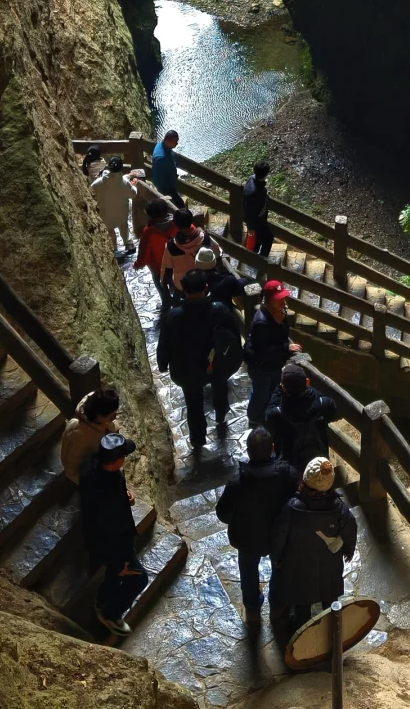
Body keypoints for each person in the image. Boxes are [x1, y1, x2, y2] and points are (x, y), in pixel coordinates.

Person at [215, 426, 299, 622]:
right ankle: (277, 607)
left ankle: (252, 608)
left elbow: (223, 514)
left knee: (248, 569)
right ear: (272, 448)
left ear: (248, 450)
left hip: (247, 539)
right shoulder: (290, 475)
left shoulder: (237, 483)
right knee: (280, 568)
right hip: (279, 537)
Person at [269, 457, 357, 639]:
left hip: (299, 566)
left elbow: (279, 536)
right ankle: (333, 629)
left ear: (306, 479)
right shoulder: (339, 510)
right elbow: (350, 529)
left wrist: (276, 558)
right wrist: (349, 549)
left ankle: (303, 636)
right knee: (330, 595)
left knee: (302, 602)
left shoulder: (292, 509)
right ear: (330, 482)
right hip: (329, 565)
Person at [156, 269, 242, 451]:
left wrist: (163, 364)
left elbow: (164, 343)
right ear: (206, 287)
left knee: (193, 403)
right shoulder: (219, 310)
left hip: (187, 369)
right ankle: (220, 415)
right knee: (220, 388)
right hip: (217, 364)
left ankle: (197, 439)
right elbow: (234, 334)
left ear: (183, 289)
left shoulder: (174, 316)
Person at [79, 433, 149, 636]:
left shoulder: (93, 469)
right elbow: (105, 526)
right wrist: (120, 563)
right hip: (114, 544)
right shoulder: (106, 496)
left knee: (113, 575)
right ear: (118, 460)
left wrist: (124, 494)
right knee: (138, 578)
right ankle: (109, 614)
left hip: (116, 538)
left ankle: (101, 601)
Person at [265, 361, 338, 476]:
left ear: (283, 388)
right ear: (307, 382)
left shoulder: (277, 414)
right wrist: (309, 390)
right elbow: (332, 412)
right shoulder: (324, 403)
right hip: (318, 456)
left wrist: (278, 390)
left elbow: (268, 417)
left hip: (290, 464)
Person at [244, 280, 300, 426]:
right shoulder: (261, 323)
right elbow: (264, 351)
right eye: (279, 298)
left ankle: (266, 417)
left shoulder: (277, 313)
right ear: (269, 300)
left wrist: (280, 323)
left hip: (272, 365)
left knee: (271, 392)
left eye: (283, 297)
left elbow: (281, 335)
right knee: (260, 395)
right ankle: (254, 419)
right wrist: (286, 348)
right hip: (261, 367)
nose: (283, 301)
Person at [60, 386, 120, 486]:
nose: (114, 418)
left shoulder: (92, 399)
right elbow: (73, 467)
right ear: (99, 416)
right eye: (112, 416)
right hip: (80, 473)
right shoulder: (80, 436)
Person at [160, 210, 213, 299]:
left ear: (175, 224)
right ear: (191, 220)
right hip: (203, 284)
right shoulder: (205, 239)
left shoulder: (171, 246)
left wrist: (164, 284)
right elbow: (218, 255)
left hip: (182, 286)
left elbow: (167, 269)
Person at [89, 155, 134, 257]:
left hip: (105, 215)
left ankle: (113, 250)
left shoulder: (98, 183)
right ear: (120, 168)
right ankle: (129, 245)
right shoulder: (124, 183)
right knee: (124, 228)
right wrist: (133, 185)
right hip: (121, 214)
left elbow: (91, 194)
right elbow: (133, 194)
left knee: (110, 231)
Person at [134, 199, 177, 297]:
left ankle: (166, 302)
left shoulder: (148, 232)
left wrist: (138, 265)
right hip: (178, 263)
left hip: (159, 268)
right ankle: (178, 301)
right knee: (178, 285)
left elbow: (144, 252)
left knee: (161, 284)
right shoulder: (177, 223)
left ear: (148, 214)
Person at [242, 161, 272, 257]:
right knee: (268, 238)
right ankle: (261, 260)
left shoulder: (251, 179)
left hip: (258, 219)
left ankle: (253, 257)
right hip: (257, 221)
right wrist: (250, 227)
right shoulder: (254, 193)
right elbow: (248, 211)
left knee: (258, 240)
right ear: (266, 174)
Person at [151, 130, 184, 207]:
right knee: (180, 206)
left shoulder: (161, 145)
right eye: (175, 141)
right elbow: (157, 178)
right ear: (168, 141)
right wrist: (164, 193)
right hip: (166, 189)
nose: (177, 143)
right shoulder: (161, 158)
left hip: (170, 185)